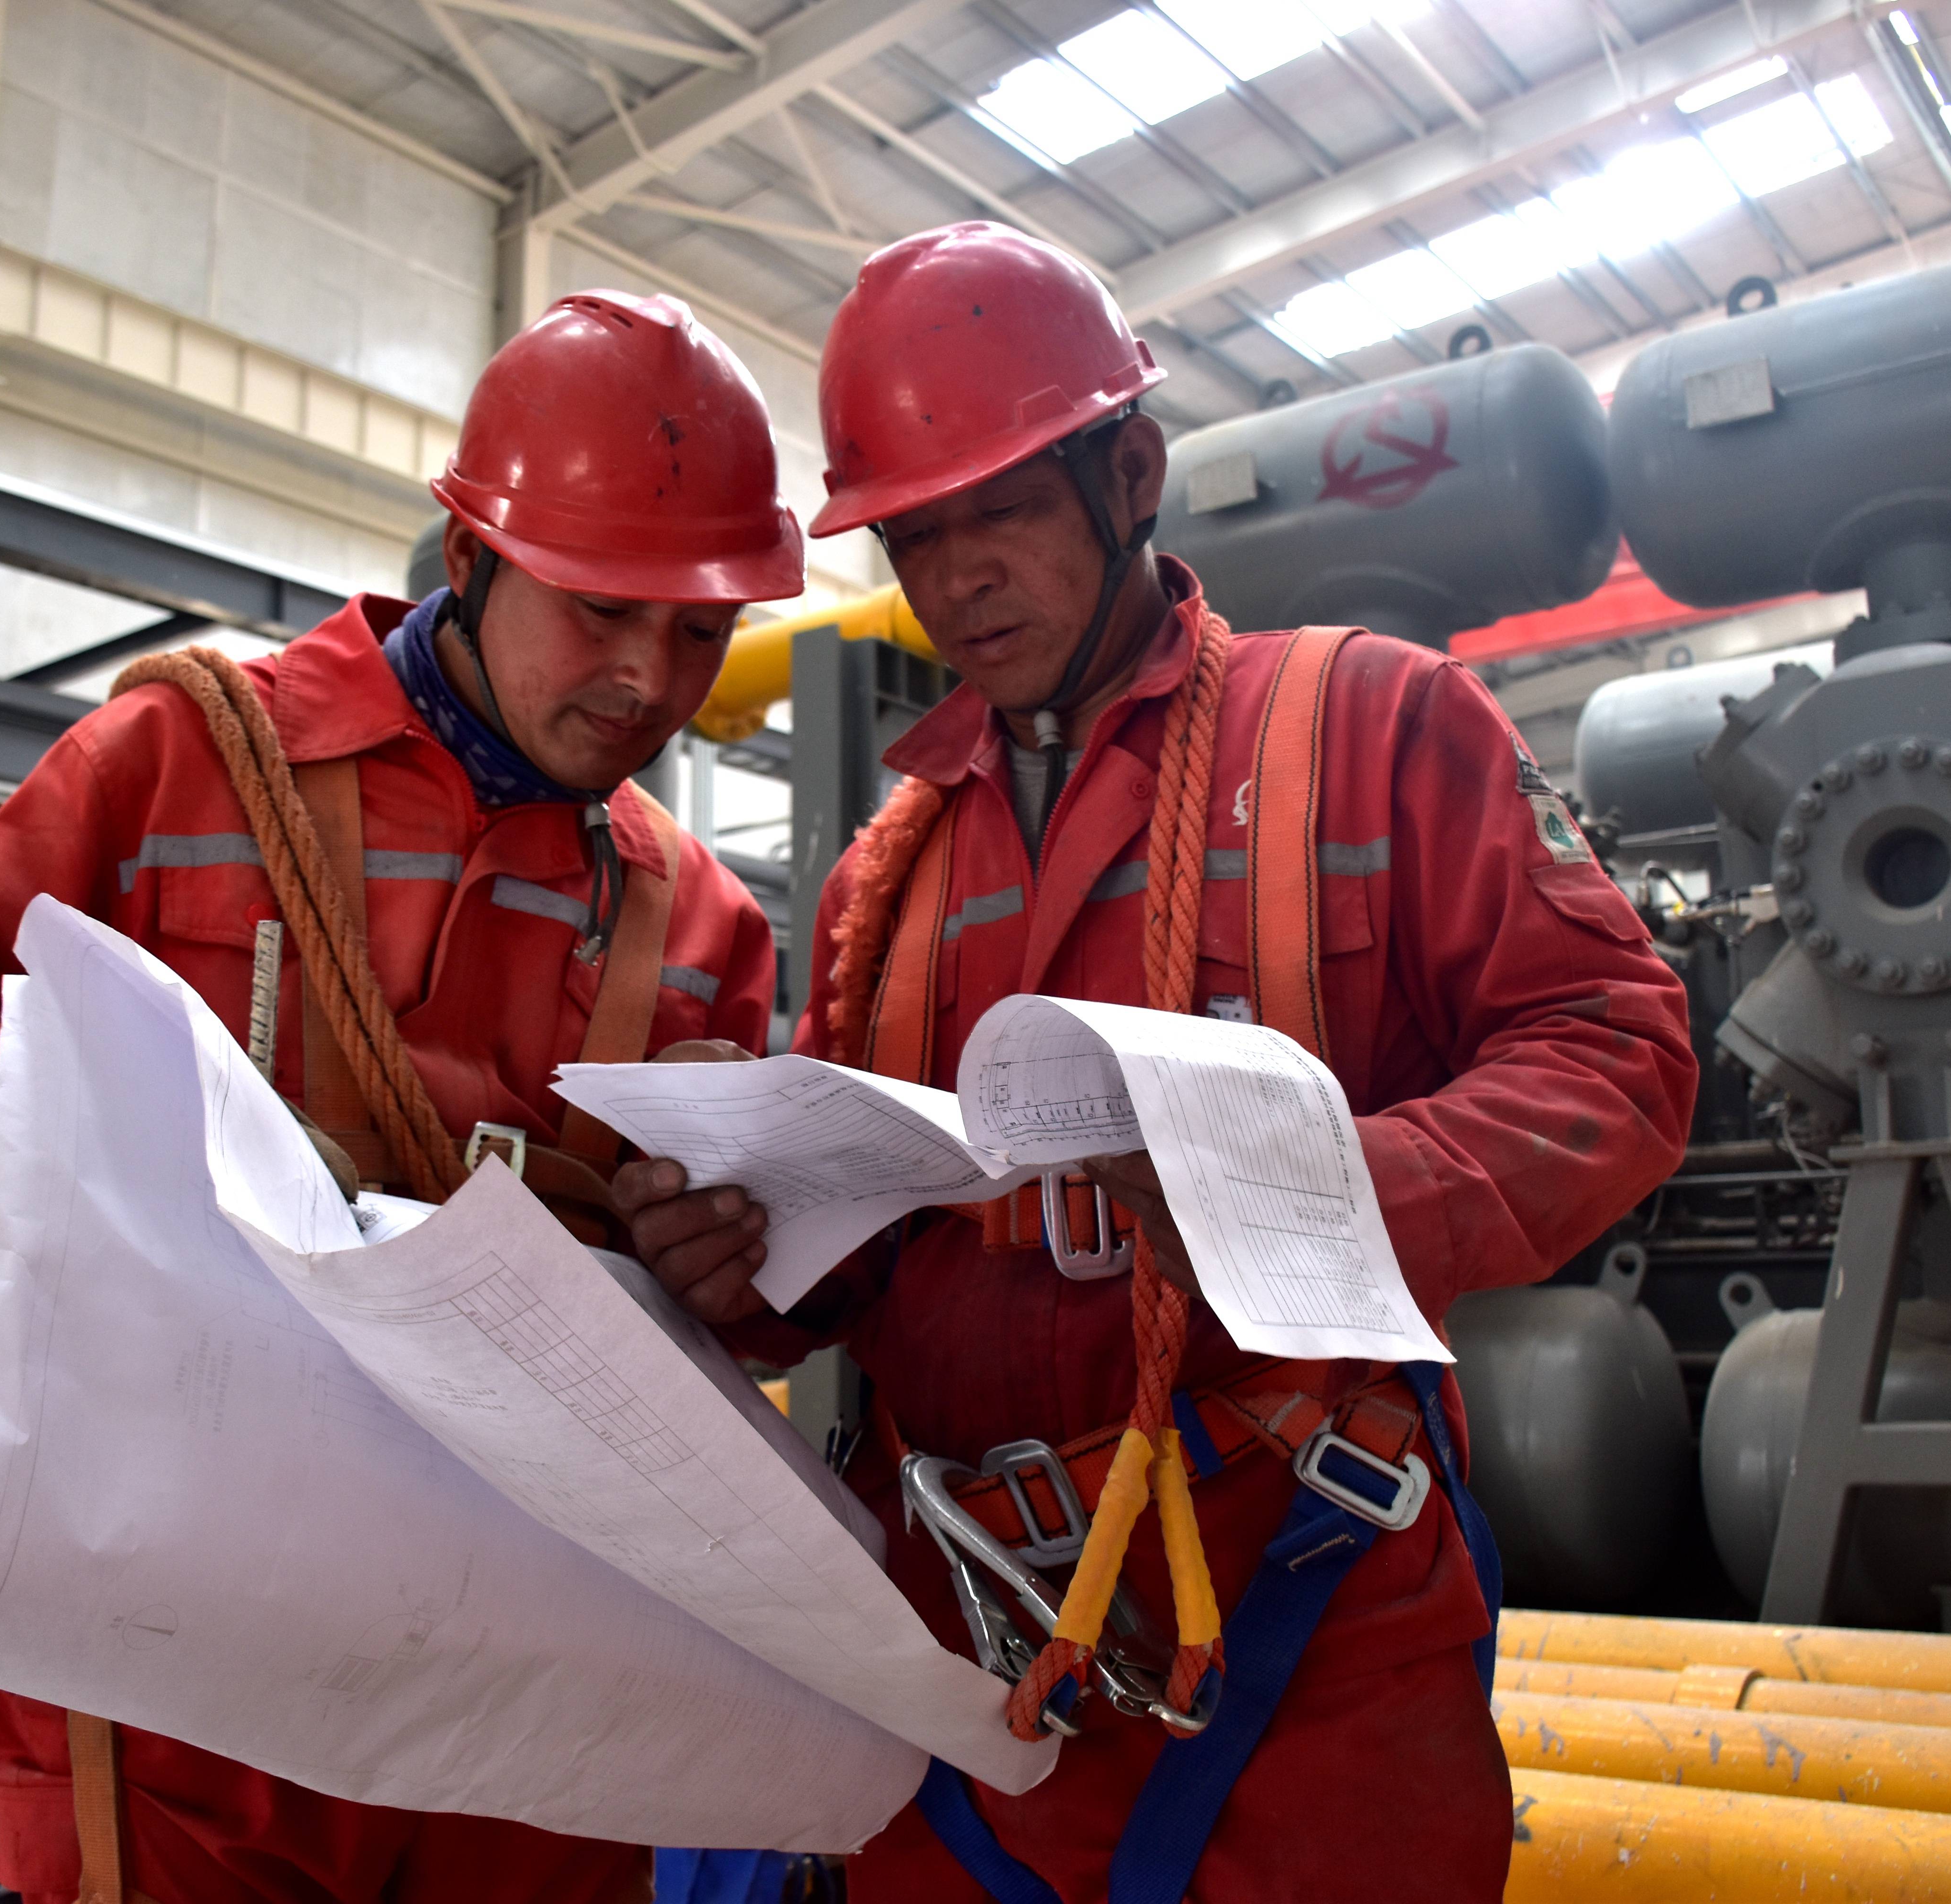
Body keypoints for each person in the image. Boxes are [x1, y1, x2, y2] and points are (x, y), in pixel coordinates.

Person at [613, 222, 1696, 1901]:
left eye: (1004, 514)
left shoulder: (1370, 730)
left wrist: (1319, 1200)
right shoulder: (886, 876)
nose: (957, 576)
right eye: (915, 535)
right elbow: (850, 1259)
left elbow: (1617, 1049)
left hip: (1297, 1617)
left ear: (1129, 473)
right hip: (967, 1648)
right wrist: (739, 1270)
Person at [0, 288, 802, 1904]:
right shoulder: (175, 763)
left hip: (535, 1696)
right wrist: (63, 1156)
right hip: (171, 1686)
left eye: (697, 631)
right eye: (599, 611)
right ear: (473, 557)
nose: (649, 680)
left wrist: (743, 1262)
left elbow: (745, 1327)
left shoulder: (701, 922)